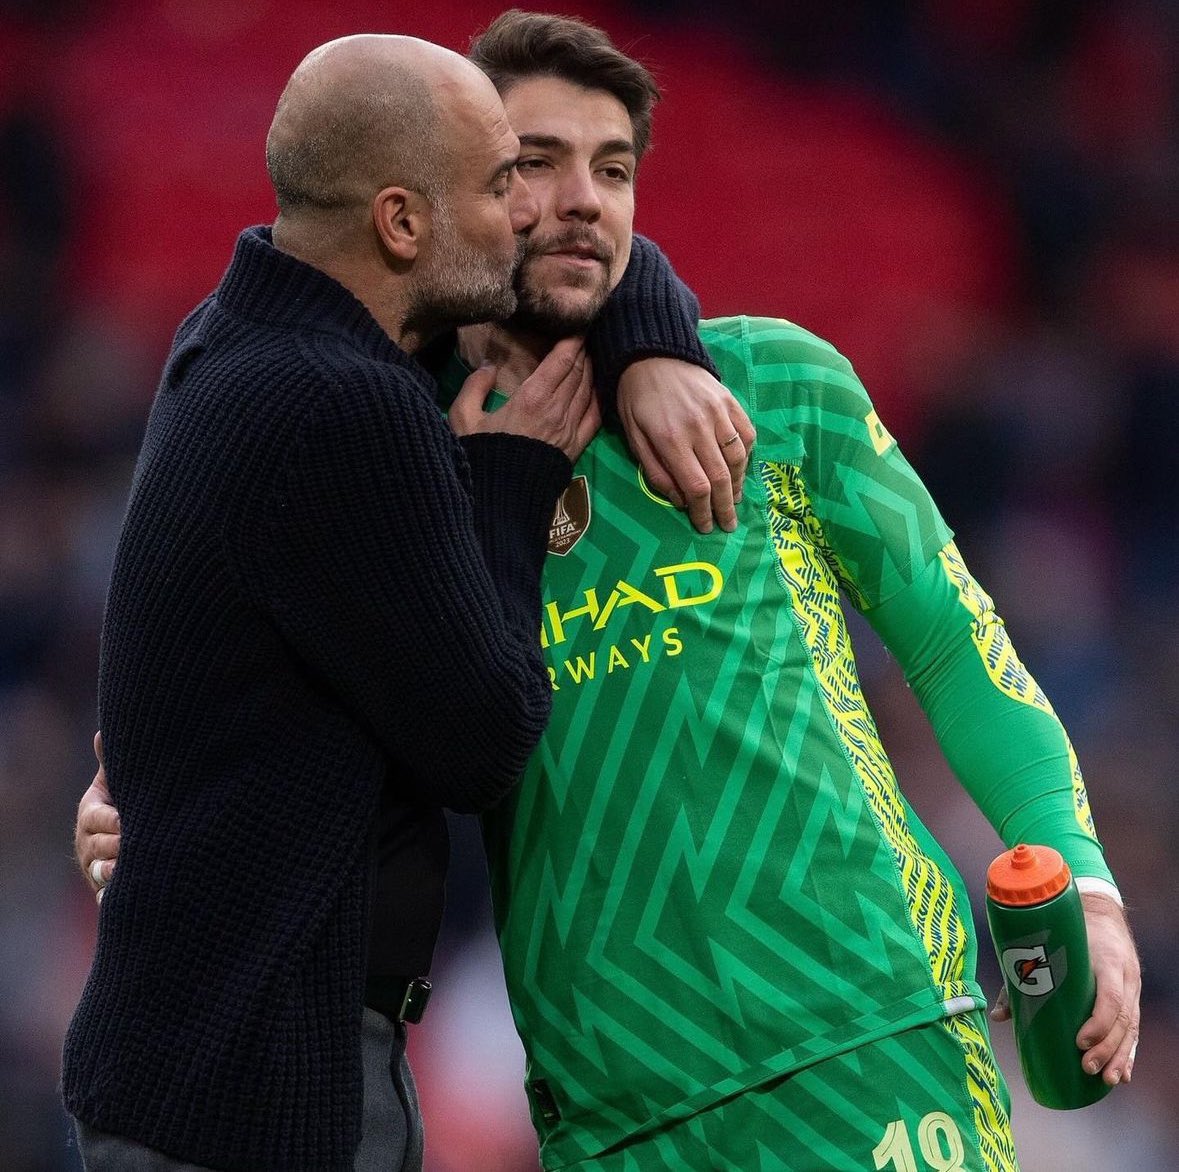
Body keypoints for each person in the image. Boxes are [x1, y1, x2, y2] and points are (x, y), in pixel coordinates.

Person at [76, 11, 1142, 1171]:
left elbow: (953, 649)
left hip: (869, 1035)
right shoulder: (401, 445)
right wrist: (131, 780)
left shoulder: (774, 386)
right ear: (444, 193)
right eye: (533, 164)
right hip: (610, 1102)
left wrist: (1082, 877)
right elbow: (251, 647)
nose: (584, 198)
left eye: (617, 167)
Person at [60, 29, 743, 1172]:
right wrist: (513, 481)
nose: (530, 213)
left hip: (183, 1057)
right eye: (500, 182)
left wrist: (652, 340)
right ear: (401, 223)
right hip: (264, 1085)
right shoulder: (347, 407)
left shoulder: (228, 330)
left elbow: (592, 260)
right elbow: (482, 737)